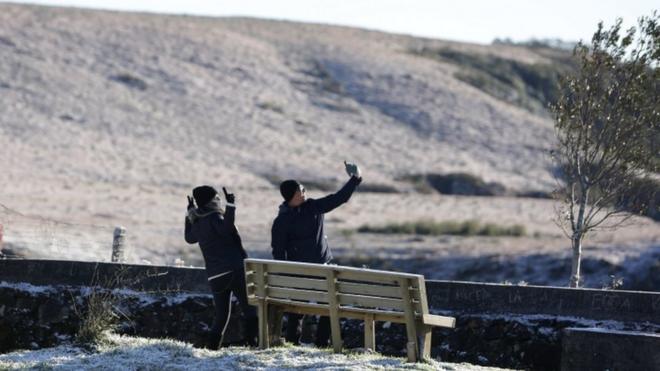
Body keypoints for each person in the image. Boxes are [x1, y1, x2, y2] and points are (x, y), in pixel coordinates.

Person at [271, 161, 362, 347]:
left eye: (304, 189)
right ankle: (320, 342)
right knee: (328, 305)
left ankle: (299, 341)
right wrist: (355, 178)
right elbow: (339, 198)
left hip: (302, 271)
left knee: (301, 308)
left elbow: (278, 252)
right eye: (300, 191)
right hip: (314, 269)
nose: (304, 193)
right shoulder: (308, 210)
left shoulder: (284, 219)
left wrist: (354, 180)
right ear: (292, 196)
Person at [184, 185, 257, 349]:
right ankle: (253, 342)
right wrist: (231, 207)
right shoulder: (215, 217)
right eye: (217, 197)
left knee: (222, 315)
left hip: (215, 277)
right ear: (211, 201)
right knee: (250, 308)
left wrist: (189, 214)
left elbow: (189, 238)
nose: (219, 200)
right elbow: (226, 229)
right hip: (234, 270)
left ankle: (212, 347)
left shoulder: (198, 222)